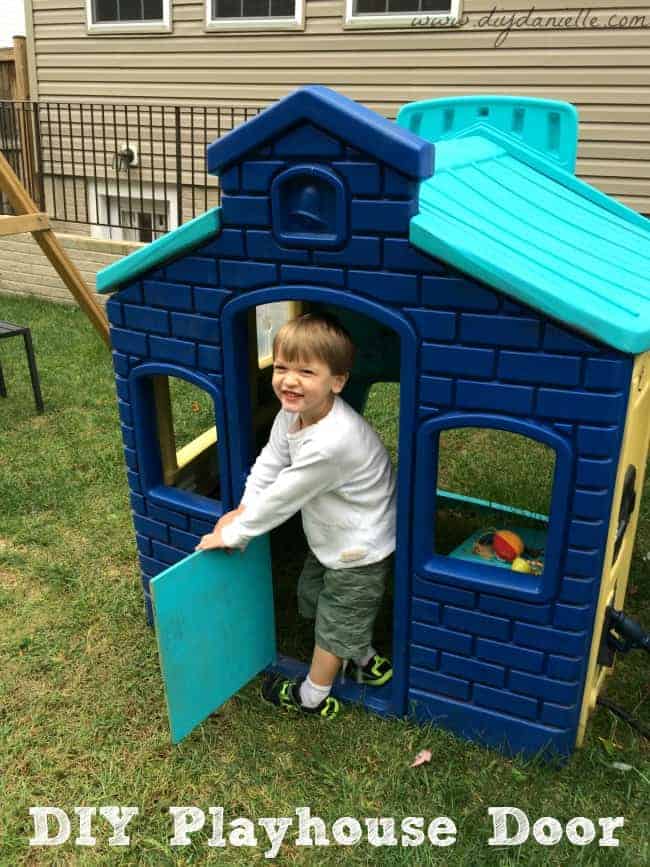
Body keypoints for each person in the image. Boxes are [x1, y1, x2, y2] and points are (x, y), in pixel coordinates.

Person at [196, 312, 396, 719]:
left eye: (306, 371)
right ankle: (363, 659)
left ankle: (312, 696)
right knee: (314, 597)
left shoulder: (333, 442)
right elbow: (271, 462)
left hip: (361, 547)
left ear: (337, 382)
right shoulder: (293, 413)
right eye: (282, 367)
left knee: (335, 623)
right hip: (333, 533)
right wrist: (242, 509)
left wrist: (236, 533)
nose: (289, 380)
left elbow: (286, 494)